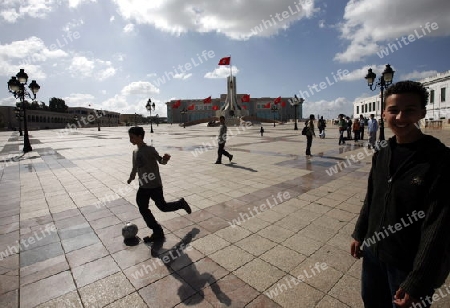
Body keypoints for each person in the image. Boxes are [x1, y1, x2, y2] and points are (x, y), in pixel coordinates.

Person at [350, 80, 450, 308]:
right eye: (393, 110)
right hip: (375, 255)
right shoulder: (383, 152)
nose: (400, 117)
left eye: (409, 110)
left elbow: (439, 226)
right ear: (384, 113)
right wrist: (360, 232)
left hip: (408, 263)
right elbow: (372, 197)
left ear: (422, 113)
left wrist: (418, 281)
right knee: (373, 302)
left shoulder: (440, 160)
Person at [127, 126, 191, 243]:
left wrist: (166, 159)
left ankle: (181, 203)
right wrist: (131, 177)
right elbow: (135, 167)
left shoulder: (150, 150)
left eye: (132, 137)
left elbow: (161, 161)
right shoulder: (135, 152)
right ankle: (157, 231)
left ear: (140, 136)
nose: (130, 139)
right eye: (129, 137)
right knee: (142, 207)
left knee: (163, 207)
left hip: (155, 185)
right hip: (143, 186)